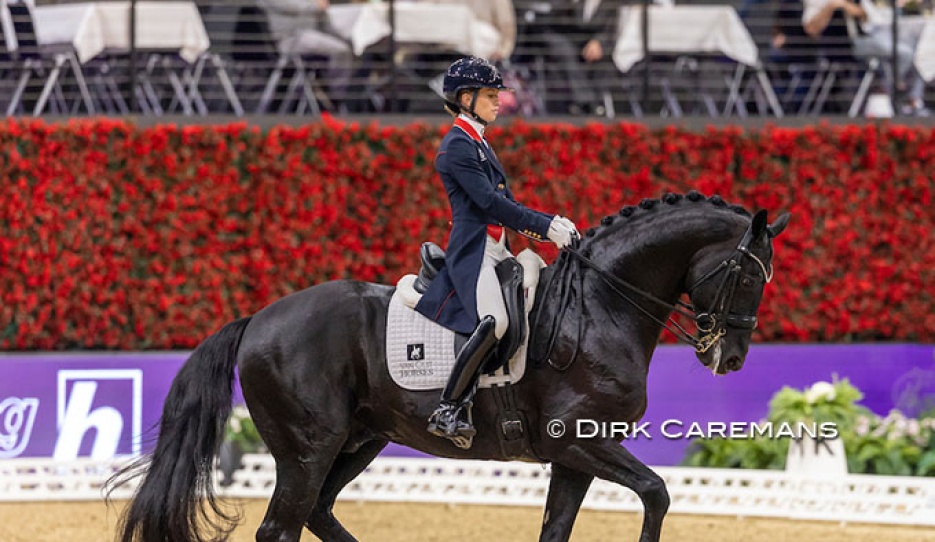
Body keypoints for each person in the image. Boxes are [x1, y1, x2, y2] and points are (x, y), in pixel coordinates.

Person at [414, 57, 578, 447]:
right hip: (474, 252)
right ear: (466, 98)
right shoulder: (456, 145)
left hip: (497, 246)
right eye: (490, 95)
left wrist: (543, 228)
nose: (498, 101)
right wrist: (545, 224)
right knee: (495, 321)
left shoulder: (478, 141)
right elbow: (489, 202)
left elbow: (508, 204)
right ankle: (449, 407)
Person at [802, 0, 929, 115]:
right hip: (844, 47)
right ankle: (892, 94)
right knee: (903, 54)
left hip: (870, 36)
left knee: (915, 52)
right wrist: (832, 6)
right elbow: (811, 28)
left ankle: (912, 102)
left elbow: (870, 19)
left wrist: (853, 8)